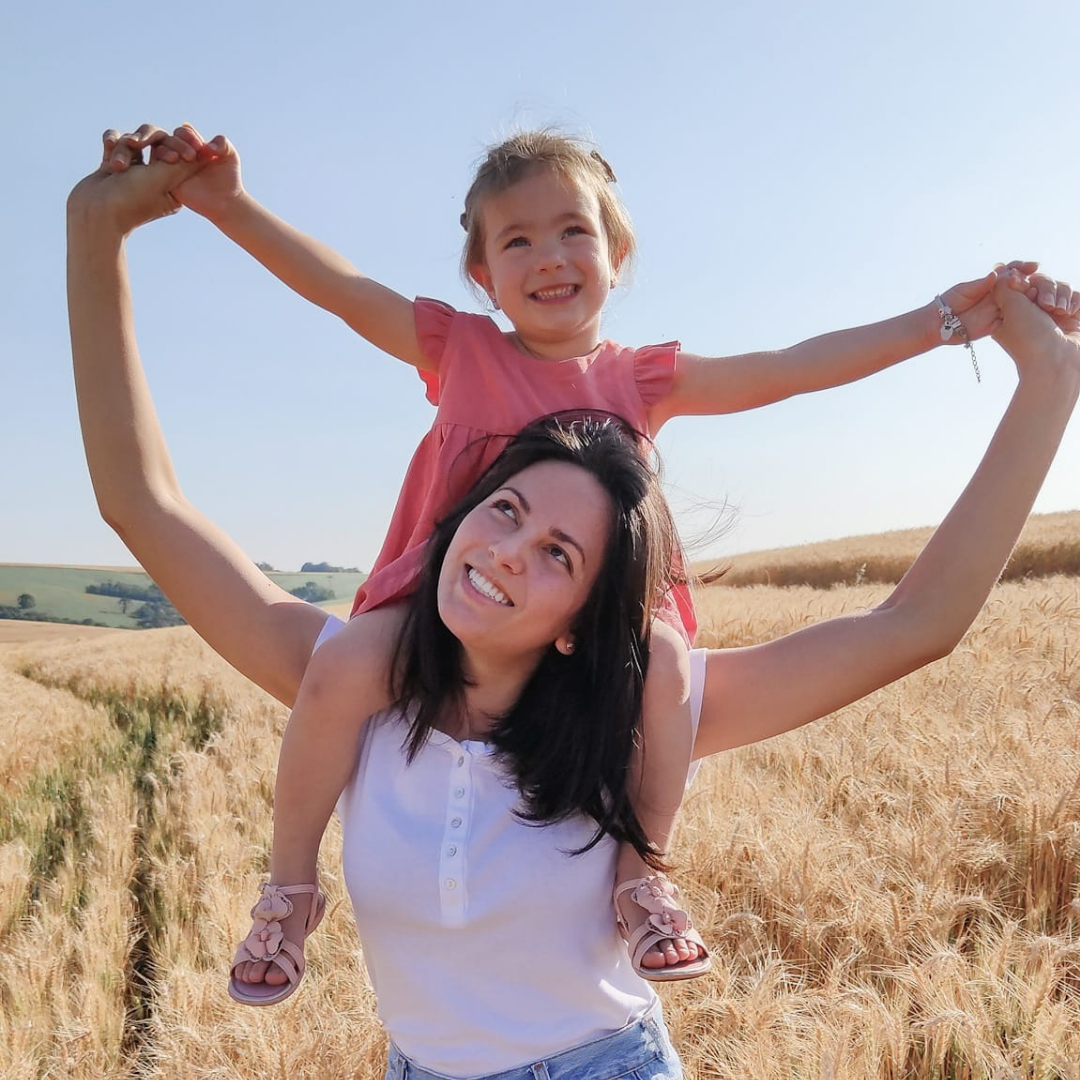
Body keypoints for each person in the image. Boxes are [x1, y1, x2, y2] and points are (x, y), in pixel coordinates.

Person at [70, 132, 1079, 1078]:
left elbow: (913, 620)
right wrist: (101, 227)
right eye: (501, 507)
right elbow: (142, 500)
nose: (506, 552)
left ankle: (646, 873)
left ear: (592, 606)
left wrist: (1028, 371)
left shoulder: (639, 711)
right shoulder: (355, 689)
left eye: (559, 549)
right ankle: (287, 894)